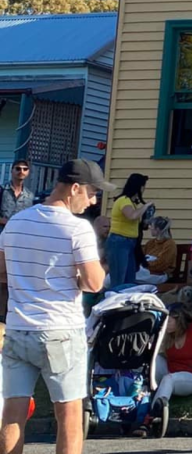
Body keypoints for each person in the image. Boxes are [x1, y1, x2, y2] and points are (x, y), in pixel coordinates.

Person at [0, 159, 109, 454]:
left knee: (13, 413)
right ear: (74, 189)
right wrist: (74, 275)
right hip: (60, 329)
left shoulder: (17, 221)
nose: (93, 200)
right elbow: (95, 283)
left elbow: (2, 270)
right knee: (70, 416)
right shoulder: (78, 229)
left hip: (18, 327)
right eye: (91, 193)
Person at [134, 303, 192, 437]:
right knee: (150, 361)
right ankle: (136, 398)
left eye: (169, 321)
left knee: (168, 379)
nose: (166, 325)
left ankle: (151, 418)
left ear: (179, 320)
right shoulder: (166, 333)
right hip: (172, 369)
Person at [108, 173, 153, 289]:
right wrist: (145, 206)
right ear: (138, 187)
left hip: (130, 243)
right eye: (143, 187)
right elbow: (131, 216)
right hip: (119, 242)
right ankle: (112, 304)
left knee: (129, 280)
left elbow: (134, 222)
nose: (144, 190)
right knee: (119, 279)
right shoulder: (124, 200)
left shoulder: (132, 203)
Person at [137, 216, 177, 285]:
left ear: (157, 229)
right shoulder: (150, 243)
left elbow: (161, 265)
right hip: (146, 271)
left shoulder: (170, 244)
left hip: (159, 274)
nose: (149, 227)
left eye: (151, 225)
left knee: (130, 275)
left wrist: (145, 264)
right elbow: (141, 258)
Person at [0, 161, 33, 229]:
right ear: (11, 170)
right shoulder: (2, 190)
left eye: (25, 169)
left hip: (18, 235)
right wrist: (4, 221)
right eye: (18, 168)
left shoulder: (30, 195)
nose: (21, 171)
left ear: (28, 172)